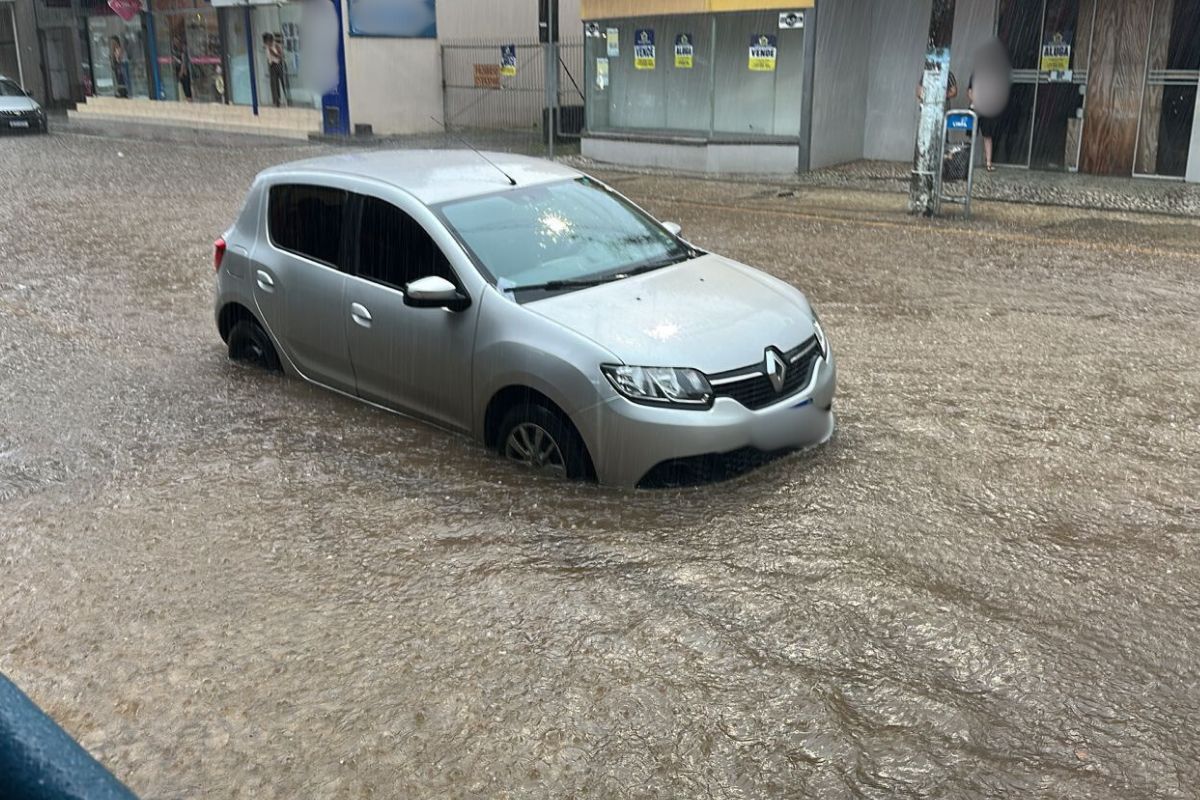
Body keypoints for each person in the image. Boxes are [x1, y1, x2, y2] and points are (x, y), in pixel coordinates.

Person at [968, 73, 998, 171]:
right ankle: (969, 161)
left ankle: (988, 162)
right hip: (975, 108)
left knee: (987, 135)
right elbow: (970, 91)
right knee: (971, 135)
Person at [263, 33, 286, 108]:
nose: (267, 43)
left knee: (283, 81)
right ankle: (276, 101)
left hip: (278, 64)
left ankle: (287, 98)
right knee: (274, 84)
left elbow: (280, 55)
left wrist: (271, 51)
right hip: (271, 65)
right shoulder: (266, 47)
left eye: (267, 41)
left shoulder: (276, 45)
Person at [173, 35, 192, 102]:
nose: (175, 43)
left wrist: (181, 72)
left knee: (187, 89)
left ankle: (189, 101)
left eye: (176, 41)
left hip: (184, 72)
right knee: (184, 88)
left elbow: (184, 62)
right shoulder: (175, 50)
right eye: (174, 41)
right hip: (181, 72)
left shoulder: (183, 50)